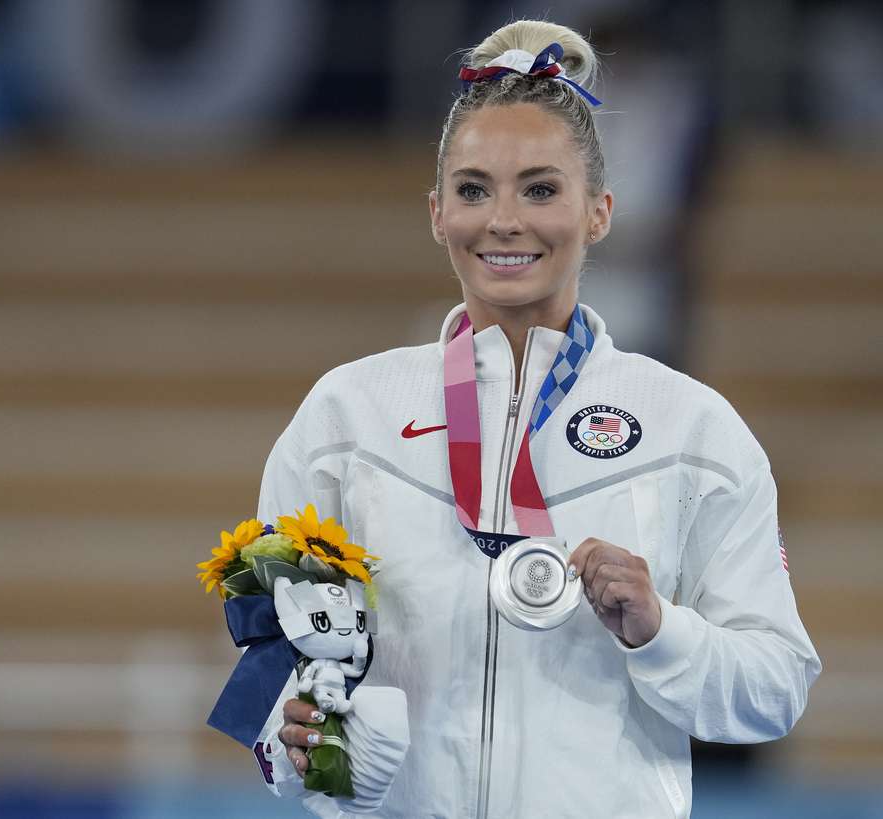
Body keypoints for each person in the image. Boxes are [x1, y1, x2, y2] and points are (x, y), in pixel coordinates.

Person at [253, 19, 820, 819]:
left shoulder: (692, 429)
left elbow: (775, 685)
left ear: (599, 212)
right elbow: (272, 668)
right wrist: (298, 744)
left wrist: (658, 628)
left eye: (542, 189)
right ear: (437, 212)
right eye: (474, 189)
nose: (505, 220)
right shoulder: (346, 417)